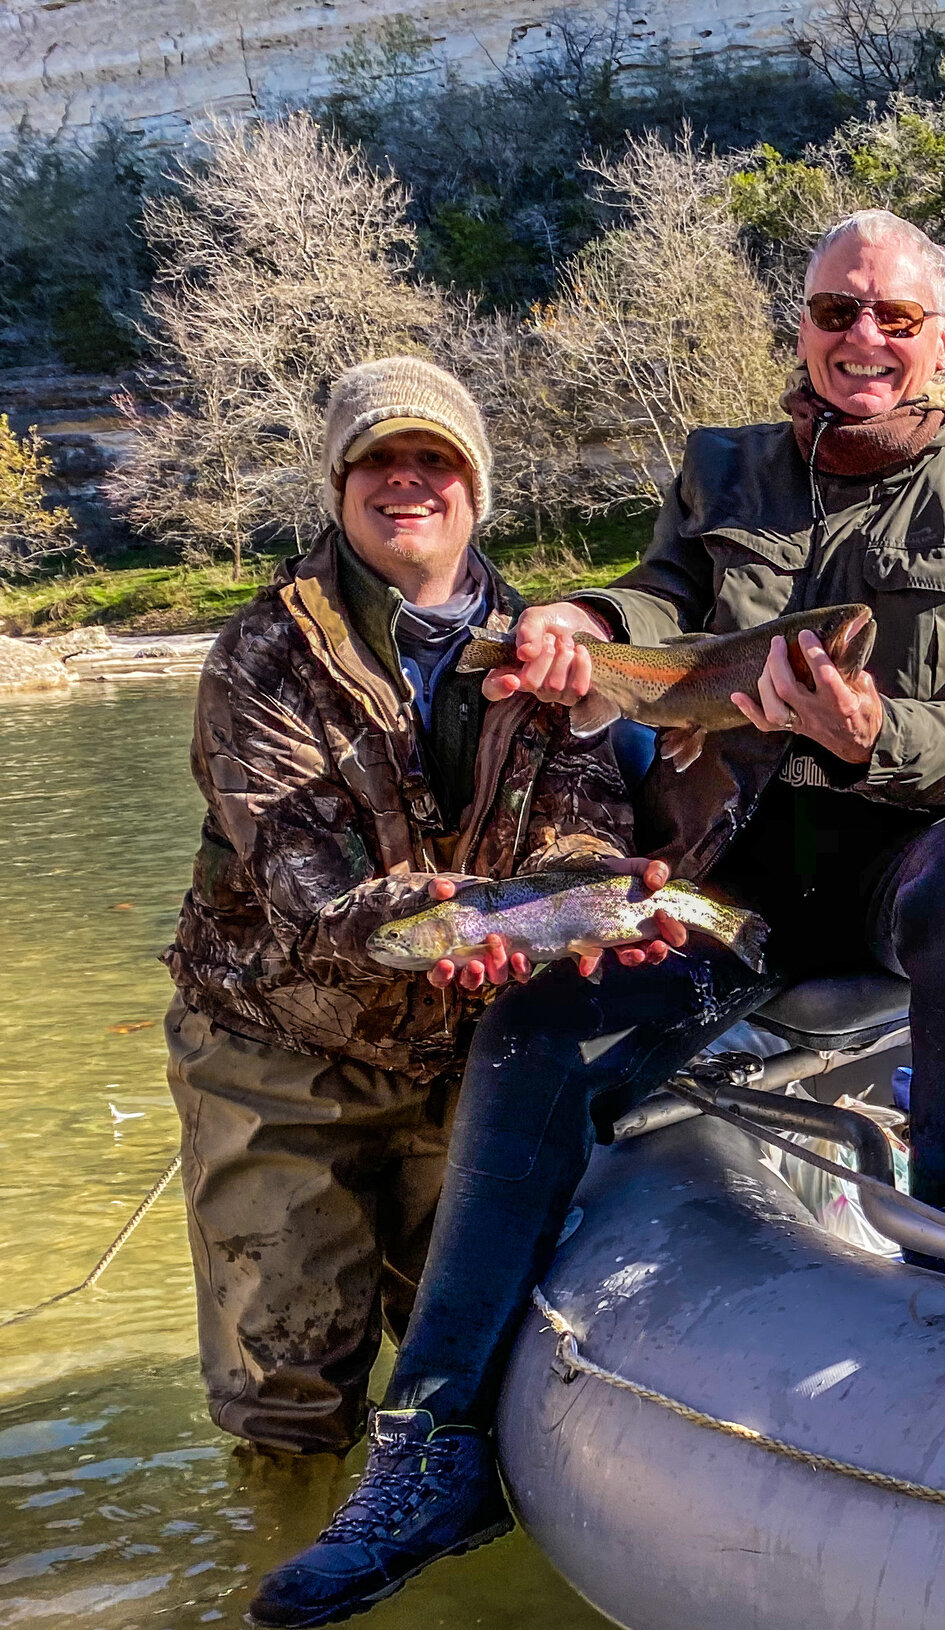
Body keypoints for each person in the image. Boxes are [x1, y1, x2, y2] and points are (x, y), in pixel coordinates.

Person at [247, 210, 945, 1630]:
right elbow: (665, 596)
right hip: (736, 869)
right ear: (801, 331)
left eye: (891, 315)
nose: (859, 337)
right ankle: (432, 1445)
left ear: (943, 338)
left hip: (910, 870)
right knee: (532, 1023)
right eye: (832, 312)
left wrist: (875, 734)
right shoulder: (722, 468)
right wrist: (580, 613)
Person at [163, 357, 673, 1474]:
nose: (407, 482)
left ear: (475, 488)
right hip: (276, 1050)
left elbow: (577, 825)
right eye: (378, 460)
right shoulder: (263, 654)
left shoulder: (549, 650)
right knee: (288, 1393)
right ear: (339, 487)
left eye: (433, 459)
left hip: (464, 1052)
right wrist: (436, 919)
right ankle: (287, 1586)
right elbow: (310, 894)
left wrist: (597, 902)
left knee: (466, 1358)